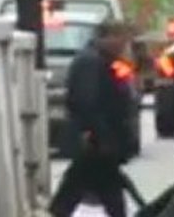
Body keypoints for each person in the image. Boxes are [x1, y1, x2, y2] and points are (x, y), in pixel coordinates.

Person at [50, 20, 137, 217]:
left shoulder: (101, 61)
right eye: (121, 39)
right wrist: (102, 137)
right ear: (107, 38)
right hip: (95, 144)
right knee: (75, 193)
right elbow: (87, 103)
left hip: (98, 144)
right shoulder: (91, 62)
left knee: (83, 192)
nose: (124, 45)